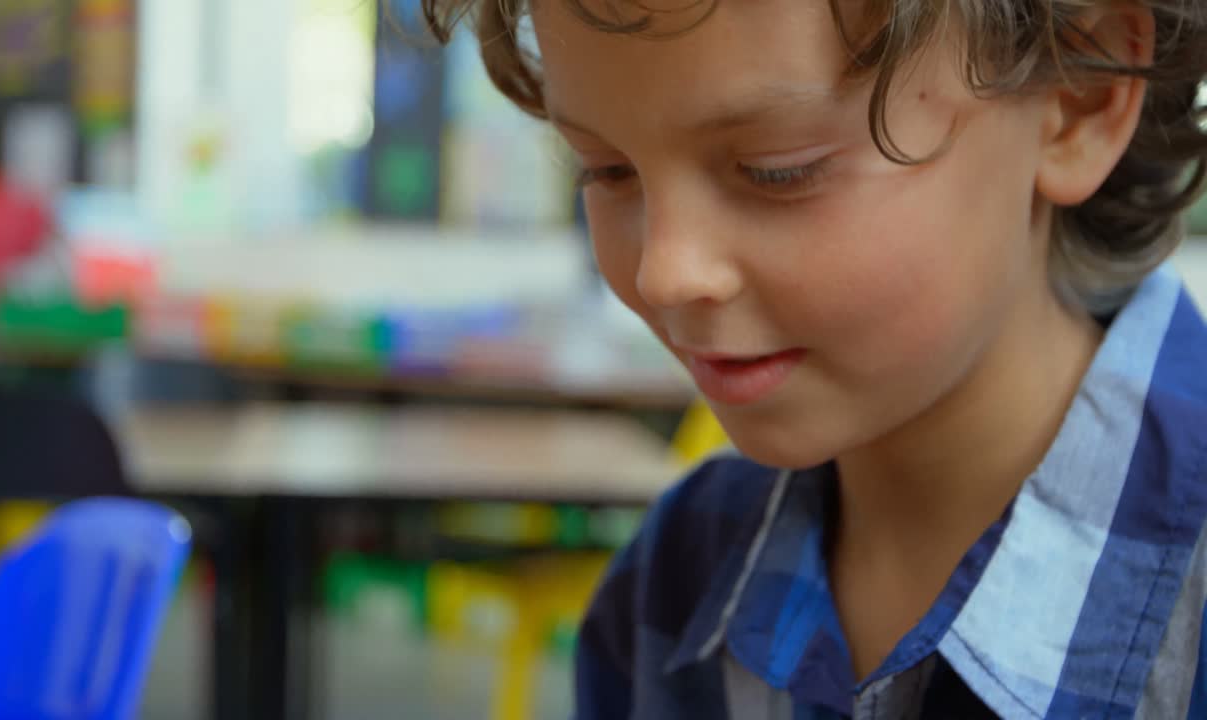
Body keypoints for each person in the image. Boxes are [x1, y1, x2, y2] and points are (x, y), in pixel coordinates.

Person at [424, 0, 1207, 714]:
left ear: (1078, 92)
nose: (667, 272)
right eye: (607, 170)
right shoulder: (670, 583)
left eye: (778, 168)